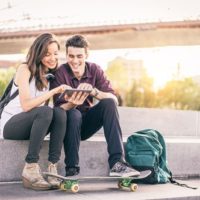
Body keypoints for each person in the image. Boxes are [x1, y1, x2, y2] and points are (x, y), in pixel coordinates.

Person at [51, 34, 140, 177]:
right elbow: (58, 111)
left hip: (87, 124)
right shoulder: (60, 73)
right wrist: (72, 104)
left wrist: (94, 91)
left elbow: (114, 99)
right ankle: (71, 169)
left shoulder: (95, 70)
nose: (75, 61)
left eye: (79, 56)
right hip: (68, 127)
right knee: (74, 113)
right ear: (66, 55)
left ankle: (117, 163)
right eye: (71, 56)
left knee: (108, 103)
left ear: (86, 55)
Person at [0, 33, 68, 190]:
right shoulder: (25, 69)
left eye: (55, 54)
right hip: (11, 125)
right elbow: (26, 106)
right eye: (47, 54)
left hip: (30, 125)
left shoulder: (49, 75)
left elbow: (49, 113)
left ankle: (52, 167)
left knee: (59, 112)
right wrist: (52, 92)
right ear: (38, 53)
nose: (52, 58)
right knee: (45, 111)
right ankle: (30, 168)